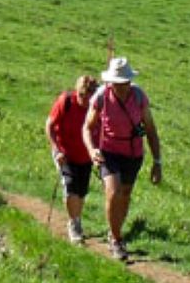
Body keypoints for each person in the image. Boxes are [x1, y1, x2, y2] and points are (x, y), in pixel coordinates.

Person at [83, 56, 161, 261]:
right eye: (118, 83)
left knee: (125, 194)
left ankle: (114, 230)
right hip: (108, 151)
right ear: (111, 82)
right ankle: (117, 240)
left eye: (124, 83)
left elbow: (151, 130)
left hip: (133, 153)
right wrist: (92, 150)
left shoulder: (139, 97)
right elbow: (87, 128)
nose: (122, 87)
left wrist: (157, 162)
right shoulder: (101, 97)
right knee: (113, 191)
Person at [46, 75, 97, 243]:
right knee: (70, 186)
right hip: (65, 153)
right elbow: (50, 126)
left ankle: (77, 219)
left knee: (81, 192)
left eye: (90, 97)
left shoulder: (96, 107)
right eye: (83, 96)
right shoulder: (66, 102)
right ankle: (73, 225)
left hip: (85, 155)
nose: (86, 101)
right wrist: (56, 149)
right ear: (78, 93)